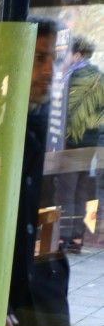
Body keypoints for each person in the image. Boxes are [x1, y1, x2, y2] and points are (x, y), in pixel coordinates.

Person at [3, 19, 77, 326]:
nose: (49, 70)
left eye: (53, 59)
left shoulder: (51, 125)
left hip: (40, 294)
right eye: (38, 59)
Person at [60, 36, 102, 255]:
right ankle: (78, 237)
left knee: (67, 188)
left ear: (76, 55)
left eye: (66, 53)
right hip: (93, 144)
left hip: (72, 141)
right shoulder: (99, 76)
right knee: (84, 189)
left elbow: (66, 111)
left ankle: (63, 236)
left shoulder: (72, 76)